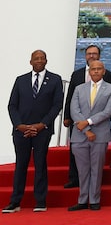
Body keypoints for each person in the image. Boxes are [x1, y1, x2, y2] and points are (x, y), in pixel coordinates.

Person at [3, 50, 64, 213]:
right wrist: (19, 125)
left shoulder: (55, 79)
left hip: (42, 130)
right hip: (21, 130)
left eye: (42, 58)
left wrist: (42, 124)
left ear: (46, 61)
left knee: (40, 164)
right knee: (20, 165)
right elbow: (12, 105)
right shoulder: (20, 80)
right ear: (30, 62)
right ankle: (15, 202)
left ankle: (40, 201)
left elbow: (57, 105)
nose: (39, 61)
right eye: (36, 58)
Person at [66, 60, 111, 212]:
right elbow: (74, 110)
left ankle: (94, 200)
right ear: (89, 71)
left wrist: (88, 122)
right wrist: (86, 129)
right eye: (93, 69)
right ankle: (82, 200)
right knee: (82, 170)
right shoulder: (79, 88)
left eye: (98, 69)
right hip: (79, 135)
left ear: (103, 71)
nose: (95, 71)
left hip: (100, 135)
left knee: (96, 169)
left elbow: (108, 111)